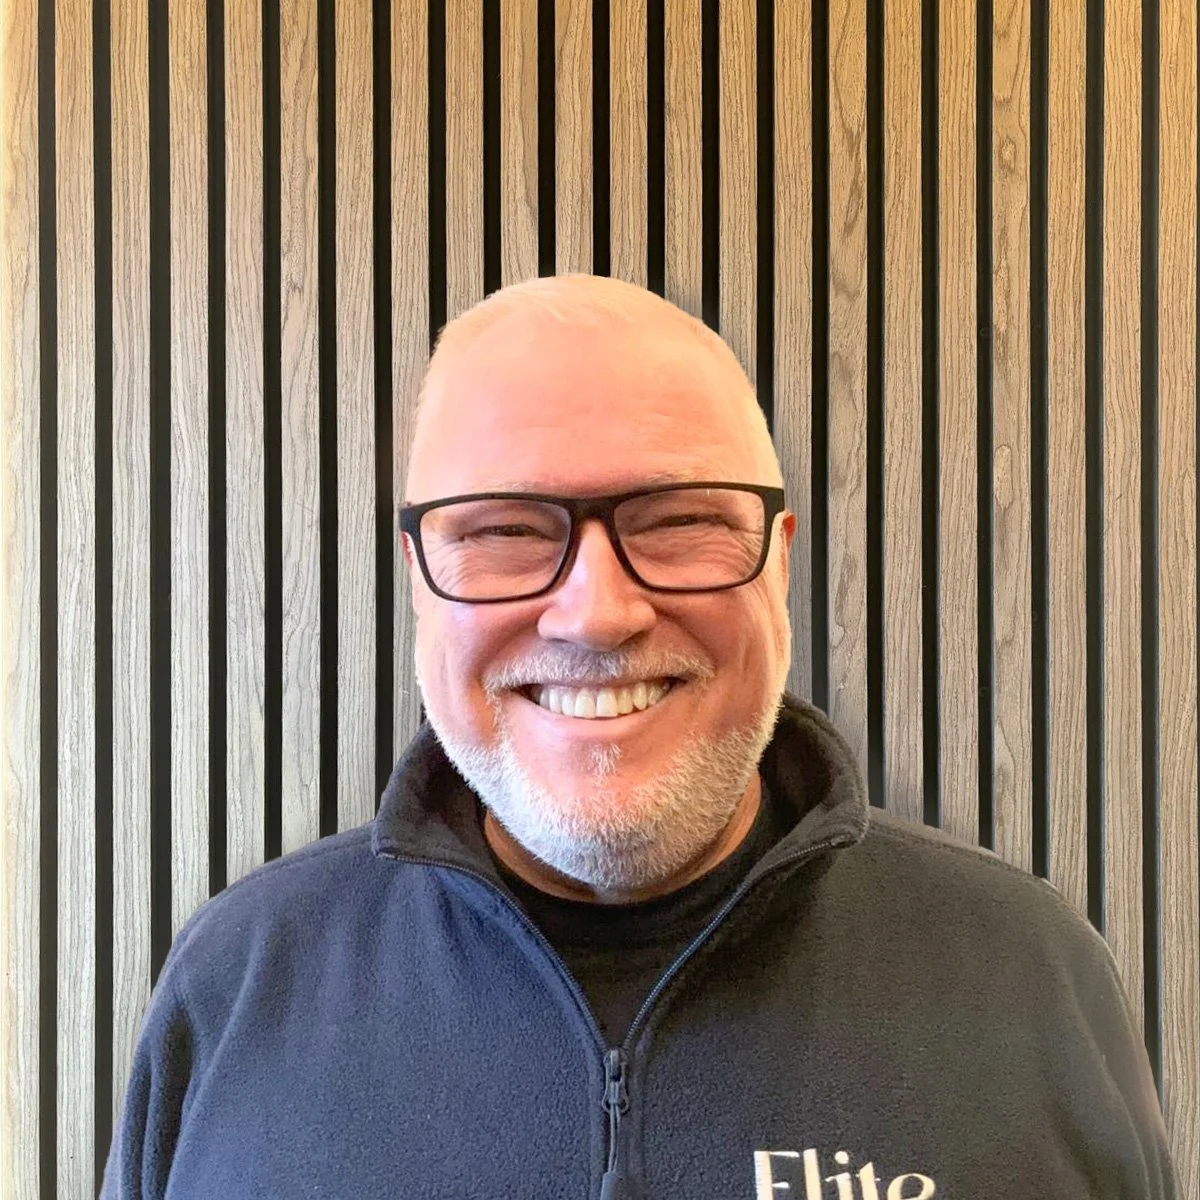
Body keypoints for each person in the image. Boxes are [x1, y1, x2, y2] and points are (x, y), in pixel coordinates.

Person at [103, 274, 1178, 1199]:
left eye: (679, 520)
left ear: (779, 561)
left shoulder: (1024, 977)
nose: (597, 614)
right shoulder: (242, 989)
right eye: (506, 532)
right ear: (421, 584)